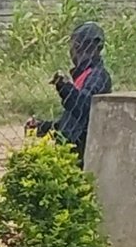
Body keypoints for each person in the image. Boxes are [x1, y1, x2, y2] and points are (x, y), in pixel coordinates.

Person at [47, 20, 112, 151]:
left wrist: (64, 86)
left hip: (81, 151)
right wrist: (43, 126)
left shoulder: (97, 76)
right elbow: (72, 122)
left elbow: (85, 108)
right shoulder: (85, 74)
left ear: (77, 46)